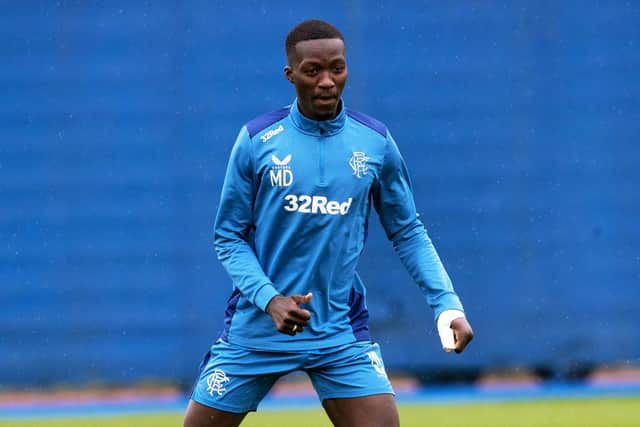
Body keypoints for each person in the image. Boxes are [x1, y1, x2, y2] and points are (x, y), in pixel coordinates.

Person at [184, 19, 474, 427]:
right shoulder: (256, 140)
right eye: (312, 71)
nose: (326, 81)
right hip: (257, 330)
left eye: (336, 68)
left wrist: (446, 304)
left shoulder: (374, 143)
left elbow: (408, 231)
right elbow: (228, 237)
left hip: (338, 331)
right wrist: (271, 300)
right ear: (290, 75)